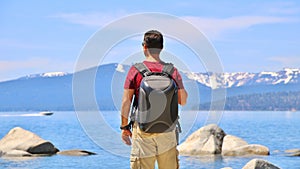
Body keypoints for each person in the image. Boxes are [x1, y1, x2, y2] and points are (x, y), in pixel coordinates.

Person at [120, 30, 188, 169]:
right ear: (162, 47)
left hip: (143, 129)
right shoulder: (172, 71)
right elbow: (183, 101)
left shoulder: (135, 70)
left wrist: (124, 127)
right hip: (168, 130)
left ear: (144, 46)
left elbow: (126, 101)